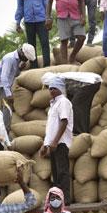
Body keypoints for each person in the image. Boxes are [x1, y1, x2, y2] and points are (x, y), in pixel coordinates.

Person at [40, 73, 74, 203]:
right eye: (50, 88)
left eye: (54, 88)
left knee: (62, 172)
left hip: (61, 143)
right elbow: (51, 127)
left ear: (61, 88)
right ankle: (57, 200)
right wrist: (45, 144)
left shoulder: (63, 102)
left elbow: (64, 122)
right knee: (55, 173)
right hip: (54, 144)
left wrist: (54, 142)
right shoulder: (53, 105)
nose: (51, 90)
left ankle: (65, 200)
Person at [46, 0, 86, 64]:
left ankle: (72, 56)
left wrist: (83, 16)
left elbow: (81, 1)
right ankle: (65, 63)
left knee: (81, 37)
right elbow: (49, 2)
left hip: (75, 15)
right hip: (62, 16)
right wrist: (48, 17)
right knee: (64, 41)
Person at [16, 0, 50, 68]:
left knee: (44, 42)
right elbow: (20, 9)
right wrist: (18, 23)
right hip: (29, 21)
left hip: (41, 20)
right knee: (31, 45)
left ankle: (47, 64)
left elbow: (46, 5)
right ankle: (34, 65)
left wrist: (48, 18)